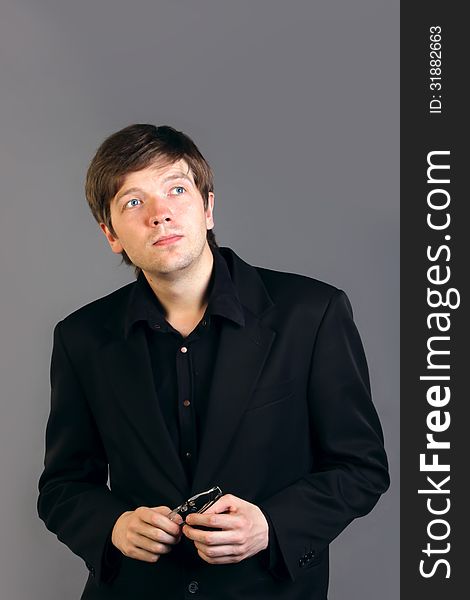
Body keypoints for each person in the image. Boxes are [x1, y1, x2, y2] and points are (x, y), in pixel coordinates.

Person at [37, 124, 390, 600]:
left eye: (176, 190)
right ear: (111, 234)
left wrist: (270, 525)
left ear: (207, 208)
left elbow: (361, 467)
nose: (160, 215)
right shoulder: (80, 337)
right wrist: (113, 526)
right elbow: (62, 486)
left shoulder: (312, 313)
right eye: (133, 202)